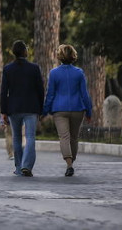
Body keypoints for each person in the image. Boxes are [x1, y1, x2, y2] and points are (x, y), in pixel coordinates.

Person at [43, 44, 92, 177]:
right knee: (74, 137)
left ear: (60, 57)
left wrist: (45, 110)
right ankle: (71, 162)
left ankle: (69, 164)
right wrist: (89, 111)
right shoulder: (79, 73)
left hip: (59, 110)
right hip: (78, 109)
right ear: (73, 56)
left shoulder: (54, 73)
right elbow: (84, 94)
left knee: (64, 137)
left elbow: (50, 94)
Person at [0, 40, 44, 177]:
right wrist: (41, 109)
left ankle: (19, 167)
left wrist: (3, 111)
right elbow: (40, 90)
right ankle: (27, 166)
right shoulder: (34, 68)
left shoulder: (8, 69)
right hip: (31, 108)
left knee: (17, 138)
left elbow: (3, 92)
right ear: (25, 52)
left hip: (14, 108)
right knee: (30, 137)